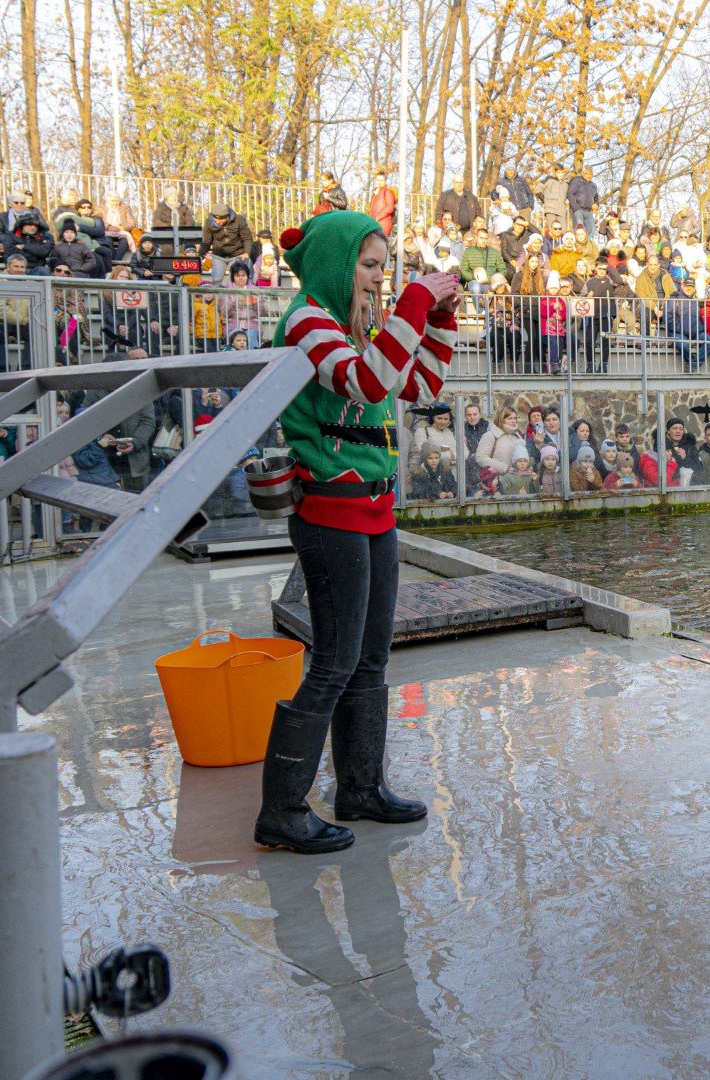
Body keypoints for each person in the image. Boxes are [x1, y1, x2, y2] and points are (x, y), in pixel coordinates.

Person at [252, 210, 459, 855]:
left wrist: (438, 321)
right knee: (335, 662)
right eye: (368, 265)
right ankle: (281, 810)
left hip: (375, 507)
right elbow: (367, 380)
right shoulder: (308, 320)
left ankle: (360, 788)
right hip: (330, 510)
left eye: (383, 266)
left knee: (370, 657)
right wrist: (419, 297)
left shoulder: (351, 325)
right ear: (339, 266)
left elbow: (420, 384)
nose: (378, 279)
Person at [202, 205, 255, 283]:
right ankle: (217, 294)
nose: (217, 221)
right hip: (218, 255)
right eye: (215, 218)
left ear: (227, 217)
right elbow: (206, 241)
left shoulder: (239, 220)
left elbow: (247, 238)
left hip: (236, 254)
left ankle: (238, 294)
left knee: (238, 279)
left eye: (220, 219)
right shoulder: (208, 222)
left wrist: (247, 253)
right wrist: (200, 256)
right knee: (216, 280)